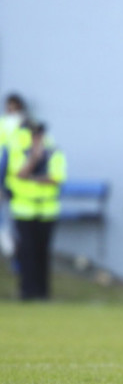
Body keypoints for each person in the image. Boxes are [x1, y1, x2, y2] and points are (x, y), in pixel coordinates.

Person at [4, 121, 66, 300]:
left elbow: (57, 177)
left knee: (42, 251)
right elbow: (18, 174)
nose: (36, 138)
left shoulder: (54, 151)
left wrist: (32, 177)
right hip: (23, 209)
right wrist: (33, 160)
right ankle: (26, 291)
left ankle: (42, 292)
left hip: (47, 209)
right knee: (26, 251)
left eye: (39, 134)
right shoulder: (18, 150)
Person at [0, 94, 28, 257]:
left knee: (17, 221)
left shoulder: (25, 126)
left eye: (14, 106)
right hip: (6, 178)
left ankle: (17, 254)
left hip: (19, 181)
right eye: (8, 106)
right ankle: (10, 250)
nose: (11, 110)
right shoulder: (4, 124)